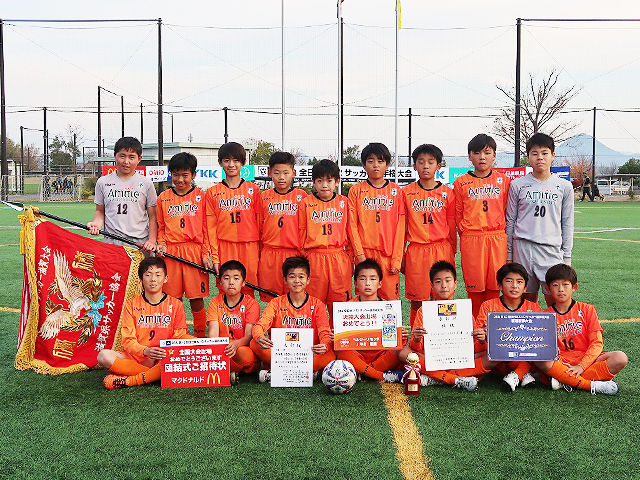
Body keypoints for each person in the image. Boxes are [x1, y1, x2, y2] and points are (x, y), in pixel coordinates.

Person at [97, 257, 192, 389]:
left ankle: (132, 380)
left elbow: (179, 337)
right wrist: (146, 351)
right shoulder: (131, 305)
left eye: (158, 275)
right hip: (138, 358)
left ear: (165, 278)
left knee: (190, 341)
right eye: (148, 275)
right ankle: (155, 376)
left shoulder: (176, 305)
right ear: (141, 278)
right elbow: (128, 341)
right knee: (104, 356)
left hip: (164, 358)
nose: (153, 279)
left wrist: (161, 352)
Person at [533, 264, 625, 395]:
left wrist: (581, 366)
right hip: (561, 364)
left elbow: (597, 343)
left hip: (587, 361)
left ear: (574, 287)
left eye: (565, 284)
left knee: (620, 358)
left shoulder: (587, 309)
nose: (561, 289)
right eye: (555, 285)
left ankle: (564, 380)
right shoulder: (545, 316)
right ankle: (590, 385)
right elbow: (546, 349)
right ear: (548, 289)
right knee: (542, 360)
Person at [506, 133, 574, 306]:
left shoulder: (564, 186)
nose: (540, 158)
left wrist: (567, 257)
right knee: (525, 301)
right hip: (522, 248)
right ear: (528, 156)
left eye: (544, 153)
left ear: (553, 155)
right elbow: (510, 220)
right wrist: (509, 253)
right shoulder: (517, 185)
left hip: (551, 250)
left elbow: (567, 223)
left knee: (555, 300)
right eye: (534, 153)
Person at [250, 256, 335, 382]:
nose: (297, 281)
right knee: (254, 343)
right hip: (281, 354)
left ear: (308, 280)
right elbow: (260, 325)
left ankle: (278, 373)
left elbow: (324, 331)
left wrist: (324, 344)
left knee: (330, 355)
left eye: (301, 276)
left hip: (308, 354)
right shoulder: (276, 303)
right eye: (292, 276)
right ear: (285, 280)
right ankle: (306, 373)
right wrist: (259, 336)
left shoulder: (317, 304)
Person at [398, 261, 478, 392]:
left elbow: (474, 347)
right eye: (438, 282)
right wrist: (417, 338)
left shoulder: (464, 309)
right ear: (432, 286)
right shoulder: (424, 311)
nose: (444, 286)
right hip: (432, 358)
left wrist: (480, 339)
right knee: (404, 353)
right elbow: (415, 347)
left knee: (487, 355)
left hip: (458, 359)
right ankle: (454, 379)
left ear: (455, 284)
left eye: (448, 281)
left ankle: (435, 377)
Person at [454, 134, 511, 318]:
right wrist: (467, 232)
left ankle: (492, 329)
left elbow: (507, 210)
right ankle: (475, 329)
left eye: (487, 152)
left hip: (497, 238)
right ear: (470, 156)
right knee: (475, 289)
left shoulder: (504, 181)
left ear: (494, 155)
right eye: (477, 153)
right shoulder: (461, 182)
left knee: (495, 286)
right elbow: (458, 213)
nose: (482, 157)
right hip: (472, 238)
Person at [156, 152, 209, 337]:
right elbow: (160, 227)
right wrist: (161, 245)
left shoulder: (202, 197)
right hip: (171, 252)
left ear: (193, 175)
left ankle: (200, 337)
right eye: (176, 175)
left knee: (196, 299)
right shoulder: (163, 198)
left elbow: (206, 228)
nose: (180, 179)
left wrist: (205, 253)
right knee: (174, 299)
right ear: (170, 174)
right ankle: (177, 337)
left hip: (194, 251)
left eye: (185, 175)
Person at [403, 144, 456, 327]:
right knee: (417, 298)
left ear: (438, 166)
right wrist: (401, 256)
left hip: (441, 248)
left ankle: (444, 334)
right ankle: (417, 339)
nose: (426, 166)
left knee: (443, 296)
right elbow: (402, 227)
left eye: (431, 162)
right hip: (417, 250)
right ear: (414, 166)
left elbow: (451, 225)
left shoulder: (448, 193)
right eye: (421, 162)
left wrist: (452, 250)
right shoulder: (406, 193)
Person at [348, 143, 406, 300]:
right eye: (370, 161)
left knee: (389, 302)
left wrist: (396, 260)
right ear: (363, 165)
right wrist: (359, 255)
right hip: (365, 253)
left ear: (387, 165)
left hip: (388, 256)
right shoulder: (356, 191)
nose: (375, 165)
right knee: (365, 298)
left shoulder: (396, 191)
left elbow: (401, 228)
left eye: (380, 161)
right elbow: (351, 225)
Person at [336, 259, 408, 382]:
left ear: (380, 283)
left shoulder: (389, 307)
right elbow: (341, 342)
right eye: (363, 279)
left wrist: (401, 336)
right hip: (357, 355)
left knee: (401, 350)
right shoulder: (346, 308)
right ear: (355, 283)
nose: (368, 283)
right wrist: (336, 336)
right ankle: (380, 375)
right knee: (340, 352)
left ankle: (364, 371)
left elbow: (396, 341)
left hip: (382, 355)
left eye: (373, 279)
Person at [299, 159, 352, 324]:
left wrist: (350, 258)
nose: (324, 185)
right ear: (313, 182)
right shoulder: (306, 203)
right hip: (315, 258)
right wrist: (305, 257)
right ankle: (316, 337)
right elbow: (301, 233)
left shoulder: (344, 202)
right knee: (314, 303)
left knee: (340, 303)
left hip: (338, 257)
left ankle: (338, 338)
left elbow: (351, 232)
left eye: (329, 181)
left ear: (337, 181)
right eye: (319, 181)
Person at [205, 142, 262, 296]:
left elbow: (259, 223)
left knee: (248, 288)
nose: (231, 165)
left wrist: (260, 251)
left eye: (236, 160)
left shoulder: (253, 189)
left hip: (249, 246)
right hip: (225, 246)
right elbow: (211, 228)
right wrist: (215, 258)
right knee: (226, 289)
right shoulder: (212, 192)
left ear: (243, 163)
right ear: (220, 162)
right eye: (227, 160)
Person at [474, 262, 542, 391]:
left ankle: (517, 374)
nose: (514, 286)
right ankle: (522, 373)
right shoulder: (488, 306)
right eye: (509, 281)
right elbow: (479, 341)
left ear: (525, 287)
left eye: (519, 282)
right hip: (497, 362)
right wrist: (482, 338)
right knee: (484, 353)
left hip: (525, 358)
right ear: (499, 285)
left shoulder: (534, 308)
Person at [87, 136, 157, 252]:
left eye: (131, 157)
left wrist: (152, 240)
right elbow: (100, 211)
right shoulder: (103, 182)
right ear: (115, 156)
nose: (126, 162)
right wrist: (96, 224)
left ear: (139, 159)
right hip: (112, 243)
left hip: (140, 244)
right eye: (122, 156)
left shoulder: (146, 183)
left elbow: (153, 216)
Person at [258, 152, 307, 301]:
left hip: (294, 253)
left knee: (295, 297)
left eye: (286, 173)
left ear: (293, 173)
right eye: (277, 173)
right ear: (269, 173)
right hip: (270, 253)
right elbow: (259, 227)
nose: (281, 177)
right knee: (271, 299)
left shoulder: (302, 197)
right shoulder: (263, 197)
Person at [208, 260, 261, 379]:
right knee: (188, 340)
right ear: (220, 282)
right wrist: (219, 347)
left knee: (242, 353)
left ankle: (225, 369)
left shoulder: (252, 304)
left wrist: (236, 344)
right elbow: (213, 335)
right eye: (226, 278)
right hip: (221, 349)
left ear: (243, 283)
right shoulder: (214, 302)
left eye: (236, 278)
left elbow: (249, 336)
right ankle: (228, 370)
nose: (231, 282)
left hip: (242, 350)